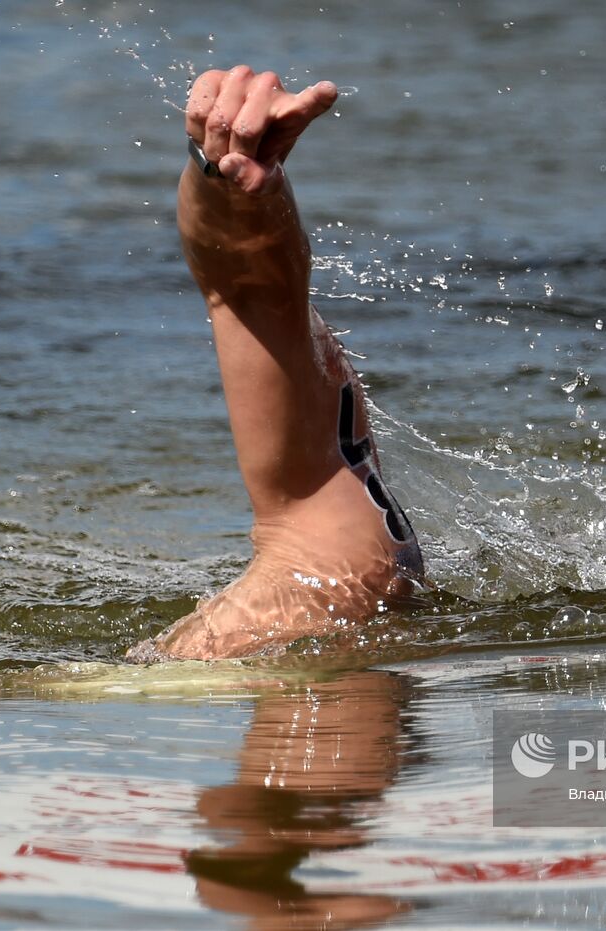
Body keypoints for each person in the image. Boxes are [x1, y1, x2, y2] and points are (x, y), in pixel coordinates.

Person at [127, 66, 423, 663]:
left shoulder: (308, 569)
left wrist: (224, 179)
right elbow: (252, 293)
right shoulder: (317, 512)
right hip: (332, 564)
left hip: (314, 581)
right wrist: (225, 182)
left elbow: (246, 290)